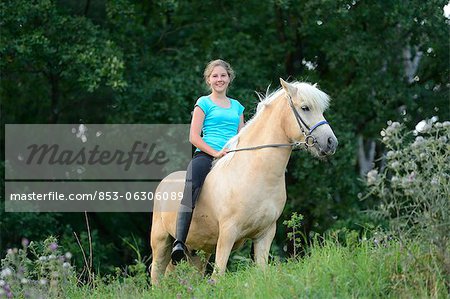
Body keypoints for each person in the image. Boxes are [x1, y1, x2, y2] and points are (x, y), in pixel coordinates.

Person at [171, 59, 245, 264]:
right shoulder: (203, 103)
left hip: (232, 158)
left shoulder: (238, 107)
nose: (219, 79)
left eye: (223, 75)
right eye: (215, 76)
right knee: (191, 184)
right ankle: (179, 241)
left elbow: (242, 136)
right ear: (208, 80)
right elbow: (194, 137)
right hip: (206, 155)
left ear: (229, 78)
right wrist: (215, 153)